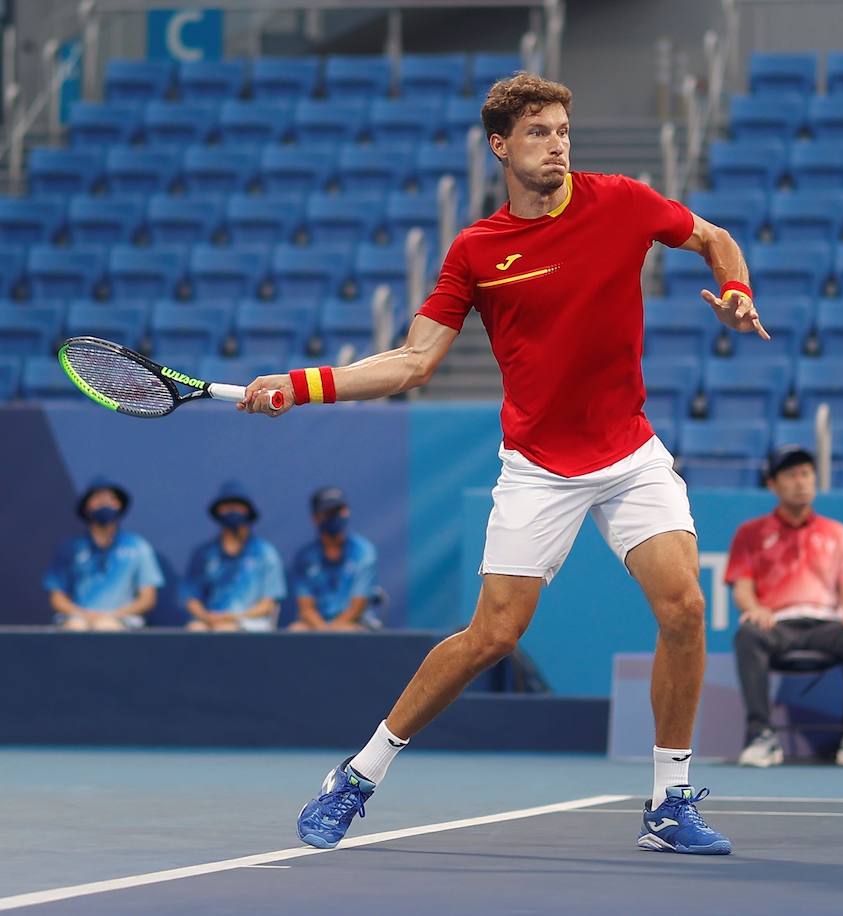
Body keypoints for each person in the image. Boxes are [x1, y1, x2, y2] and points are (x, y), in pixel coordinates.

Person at [241, 73, 767, 856]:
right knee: (491, 636)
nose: (556, 142)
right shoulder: (477, 251)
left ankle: (668, 800)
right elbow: (414, 360)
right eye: (537, 133)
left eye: (562, 129)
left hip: (628, 452)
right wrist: (304, 385)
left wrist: (734, 287)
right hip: (539, 466)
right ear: (500, 146)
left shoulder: (621, 200)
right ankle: (357, 776)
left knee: (685, 609)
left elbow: (714, 237)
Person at [725, 445, 843, 769]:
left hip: (827, 626)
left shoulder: (838, 533)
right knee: (747, 634)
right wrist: (754, 609)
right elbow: (742, 589)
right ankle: (761, 737)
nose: (801, 482)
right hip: (777, 626)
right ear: (773, 484)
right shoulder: (750, 533)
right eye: (791, 475)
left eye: (806, 474)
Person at [43, 477, 162, 631]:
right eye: (98, 498)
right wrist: (85, 615)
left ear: (120, 506)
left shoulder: (138, 546)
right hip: (78, 618)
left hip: (122, 619)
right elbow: (57, 598)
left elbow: (147, 599)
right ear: (86, 506)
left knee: (106, 626)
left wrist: (112, 615)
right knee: (75, 626)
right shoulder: (70, 548)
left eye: (111, 499)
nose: (105, 503)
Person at [182, 481, 286, 633]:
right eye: (227, 506)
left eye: (237, 506)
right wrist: (206, 617)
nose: (232, 511)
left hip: (251, 623)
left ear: (248, 511)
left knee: (226, 630)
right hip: (211, 621)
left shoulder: (265, 552)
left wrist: (235, 617)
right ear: (218, 511)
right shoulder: (203, 553)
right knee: (195, 628)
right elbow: (192, 599)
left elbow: (268, 604)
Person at [289, 486, 381, 632]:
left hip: (356, 623)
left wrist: (332, 632)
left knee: (348, 631)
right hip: (317, 625)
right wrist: (324, 631)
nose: (336, 516)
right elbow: (306, 608)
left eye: (339, 511)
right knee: (296, 630)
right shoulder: (305, 557)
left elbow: (357, 607)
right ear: (316, 518)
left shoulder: (364, 552)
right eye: (329, 512)